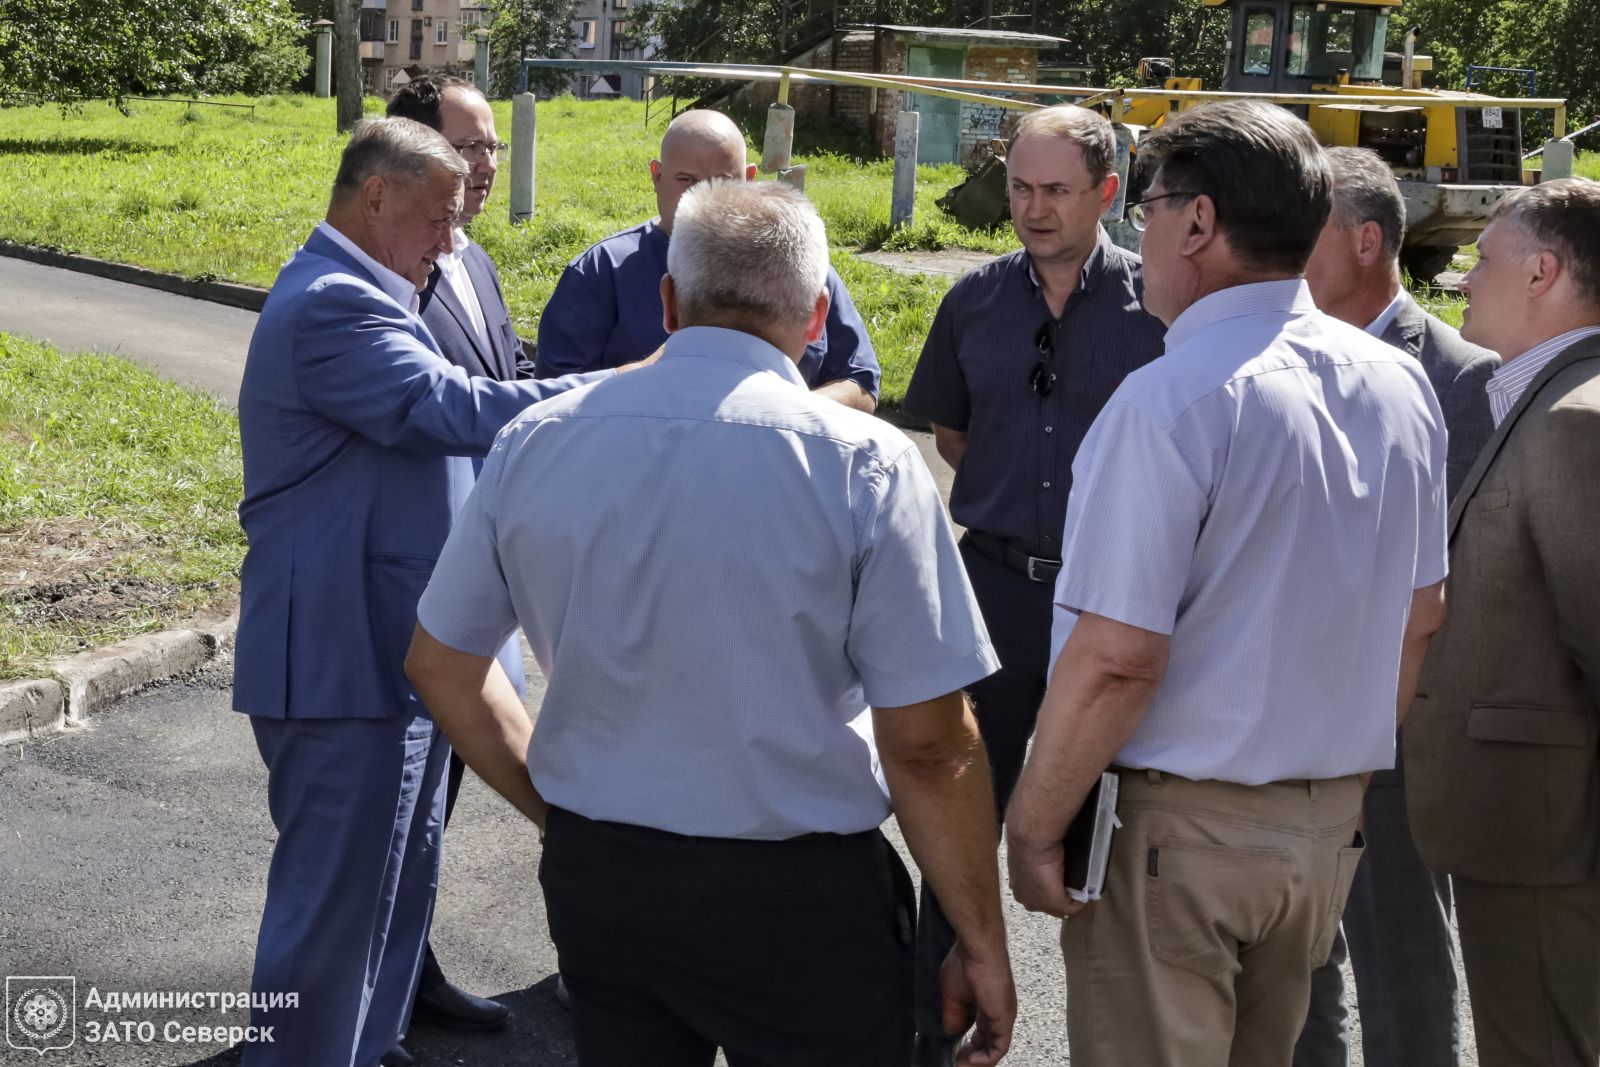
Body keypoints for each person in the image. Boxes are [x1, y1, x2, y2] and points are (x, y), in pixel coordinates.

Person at [405, 179, 1017, 1066]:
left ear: (667, 301)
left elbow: (441, 663)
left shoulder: (536, 437)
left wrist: (561, 808)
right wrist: (981, 939)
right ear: (817, 315)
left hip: (604, 877)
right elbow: (928, 743)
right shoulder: (866, 463)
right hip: (799, 893)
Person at [1004, 99, 1449, 1066]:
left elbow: (1117, 656)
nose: (1143, 238)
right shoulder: (1398, 384)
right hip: (1321, 825)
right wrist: (1337, 783)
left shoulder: (1169, 400)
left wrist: (1033, 825)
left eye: (1150, 209)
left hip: (1180, 832)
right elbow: (1421, 616)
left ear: (1199, 222)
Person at [232, 117, 629, 1067]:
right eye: (440, 217)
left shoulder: (371, 291)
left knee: (393, 894)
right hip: (343, 658)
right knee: (333, 917)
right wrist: (623, 391)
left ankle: (366, 1047)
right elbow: (447, 407)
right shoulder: (333, 301)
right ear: (375, 197)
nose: (452, 243)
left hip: (390, 657)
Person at [898, 103, 1165, 1064]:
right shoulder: (972, 300)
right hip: (998, 593)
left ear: (1108, 192)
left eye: (1056, 190)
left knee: (1123, 840)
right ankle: (933, 1038)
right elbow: (953, 436)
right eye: (1019, 187)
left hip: (1116, 602)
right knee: (957, 823)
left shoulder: (1158, 310)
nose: (1034, 208)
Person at [1293, 145, 1498, 1067]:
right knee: (1297, 966)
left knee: (1403, 963)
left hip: (1398, 727)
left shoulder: (1462, 377)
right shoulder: (1278, 361)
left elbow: (1469, 574)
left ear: (1367, 242)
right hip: (1286, 718)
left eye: (1305, 231)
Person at [1404, 177, 1600, 1067]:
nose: (1464, 278)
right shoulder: (1551, 398)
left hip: (1547, 839)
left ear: (1542, 273)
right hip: (1529, 831)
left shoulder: (1574, 421)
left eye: (1483, 259)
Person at [385, 73, 521, 1035]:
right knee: (391, 807)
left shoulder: (475, 261)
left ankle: (410, 972)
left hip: (482, 566)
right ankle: (371, 1005)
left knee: (442, 793)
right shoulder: (391, 277)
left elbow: (508, 375)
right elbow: (451, 405)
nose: (485, 166)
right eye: (468, 147)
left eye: (490, 147)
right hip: (417, 574)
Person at [533, 108, 881, 413]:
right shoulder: (600, 272)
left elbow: (861, 385)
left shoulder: (794, 263)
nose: (703, 196)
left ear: (749, 179)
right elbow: (554, 400)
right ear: (656, 176)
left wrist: (779, 415)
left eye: (722, 181)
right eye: (687, 180)